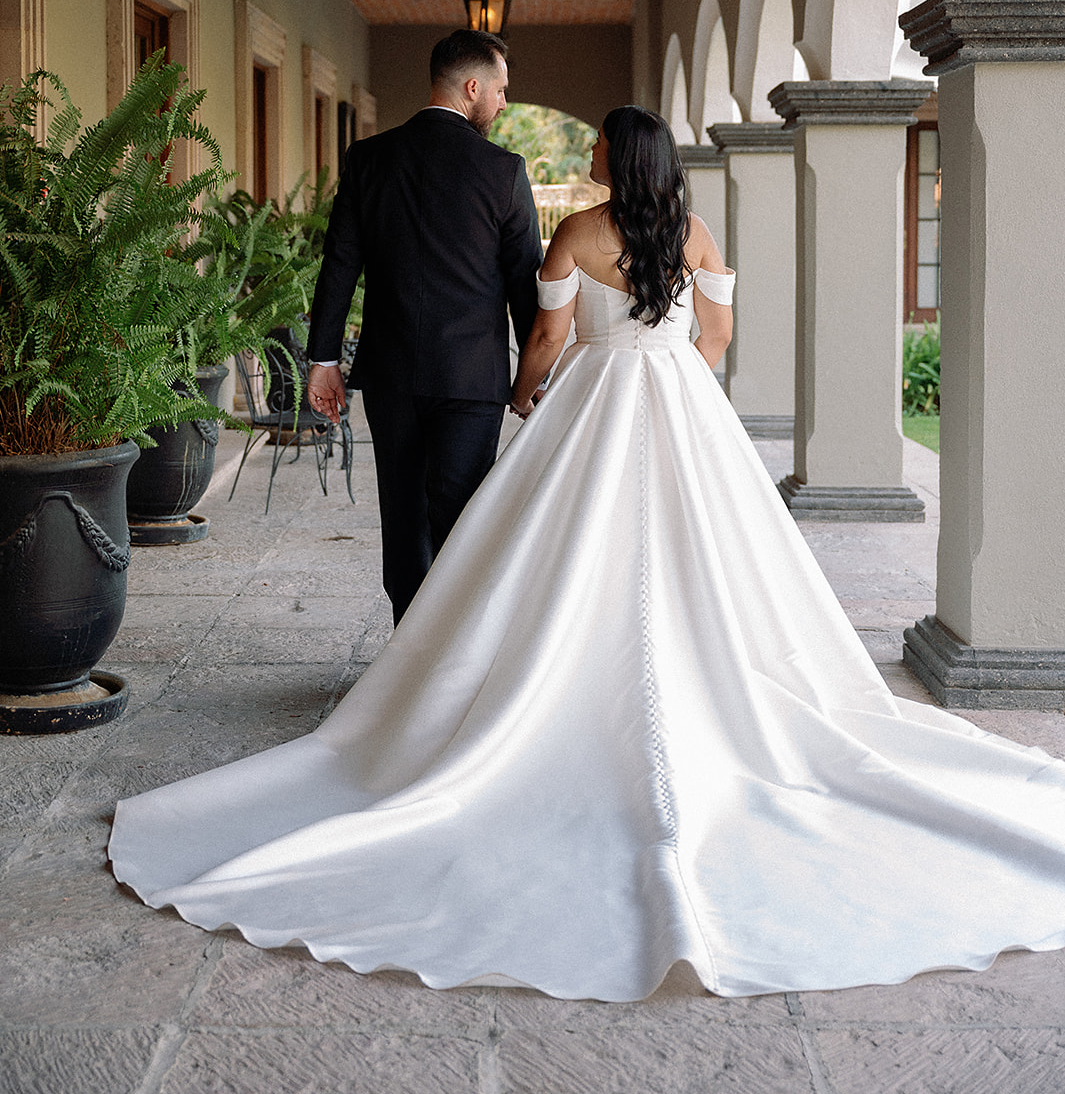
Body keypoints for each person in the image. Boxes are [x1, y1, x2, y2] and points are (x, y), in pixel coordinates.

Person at [110, 106, 1065, 1002]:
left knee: (548, 552)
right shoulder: (691, 234)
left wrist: (532, 395)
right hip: (678, 400)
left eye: (603, 147)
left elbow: (548, 337)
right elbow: (719, 331)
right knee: (707, 563)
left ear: (619, 160)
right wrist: (677, 378)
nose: (595, 157)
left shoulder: (578, 236)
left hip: (596, 400)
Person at [304, 28, 542, 625]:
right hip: (471, 379)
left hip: (391, 377)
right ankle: (450, 660)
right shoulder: (504, 171)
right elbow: (523, 286)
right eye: (500, 90)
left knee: (402, 515)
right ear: (471, 87)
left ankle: (407, 655)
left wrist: (323, 360)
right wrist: (534, 376)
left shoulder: (368, 159)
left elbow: (340, 266)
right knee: (461, 519)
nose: (504, 103)